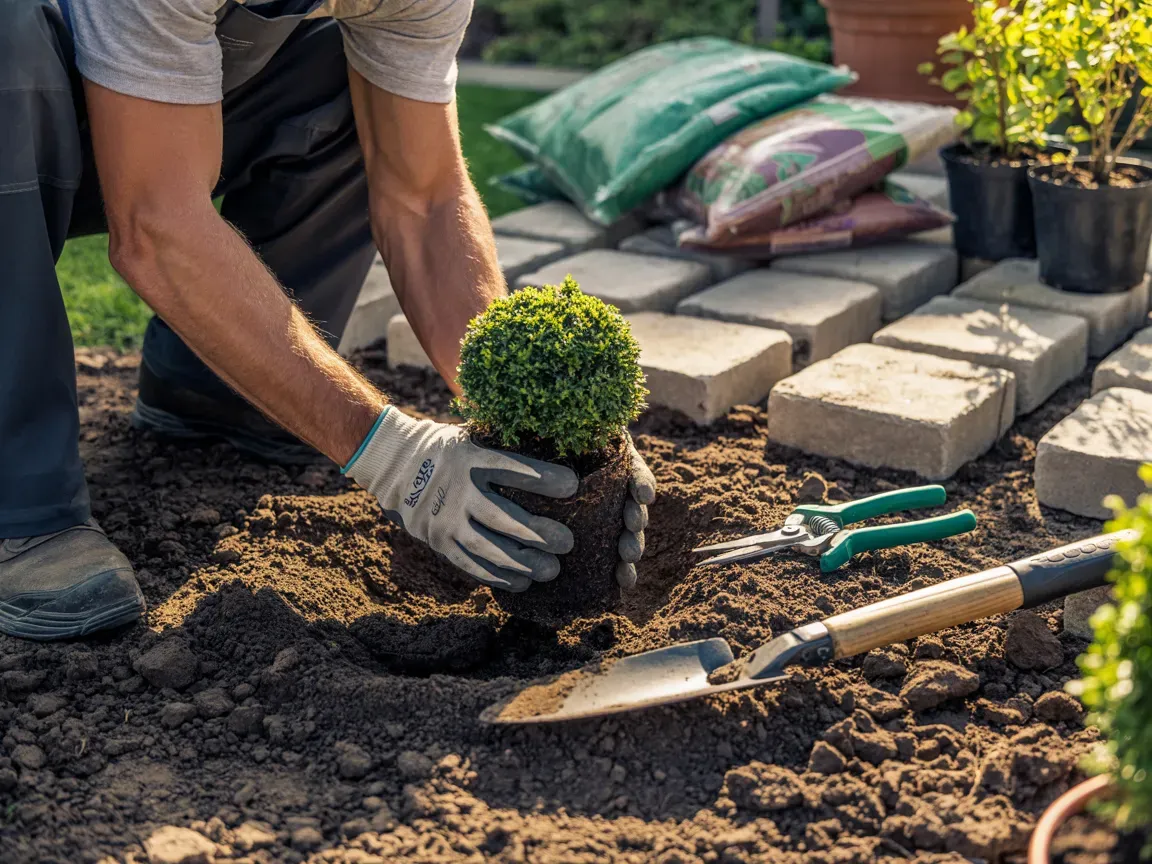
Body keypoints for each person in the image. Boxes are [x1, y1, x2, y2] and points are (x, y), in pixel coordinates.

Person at [0, 0, 655, 641]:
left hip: (108, 90)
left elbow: (423, 197)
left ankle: (219, 395)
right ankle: (21, 510)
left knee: (343, 70)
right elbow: (157, 227)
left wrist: (534, 432)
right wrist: (400, 458)